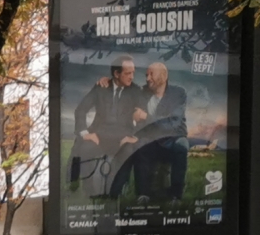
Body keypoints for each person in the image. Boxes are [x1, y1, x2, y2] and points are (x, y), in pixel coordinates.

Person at [73, 57, 143, 198]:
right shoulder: (101, 87)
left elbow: (142, 116)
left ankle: (114, 194)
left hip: (122, 137)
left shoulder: (136, 91)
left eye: (133, 73)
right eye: (127, 73)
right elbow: (81, 109)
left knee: (129, 150)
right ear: (116, 74)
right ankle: (91, 194)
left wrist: (133, 136)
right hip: (98, 135)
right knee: (86, 148)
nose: (132, 77)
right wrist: (85, 133)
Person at [129, 61, 190, 202]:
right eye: (146, 75)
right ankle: (143, 195)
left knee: (181, 146)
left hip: (173, 138)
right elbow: (125, 92)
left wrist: (146, 117)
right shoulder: (142, 92)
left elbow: (174, 122)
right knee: (139, 144)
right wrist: (106, 81)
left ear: (164, 75)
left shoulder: (179, 93)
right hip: (151, 139)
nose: (148, 78)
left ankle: (176, 195)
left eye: (151, 74)